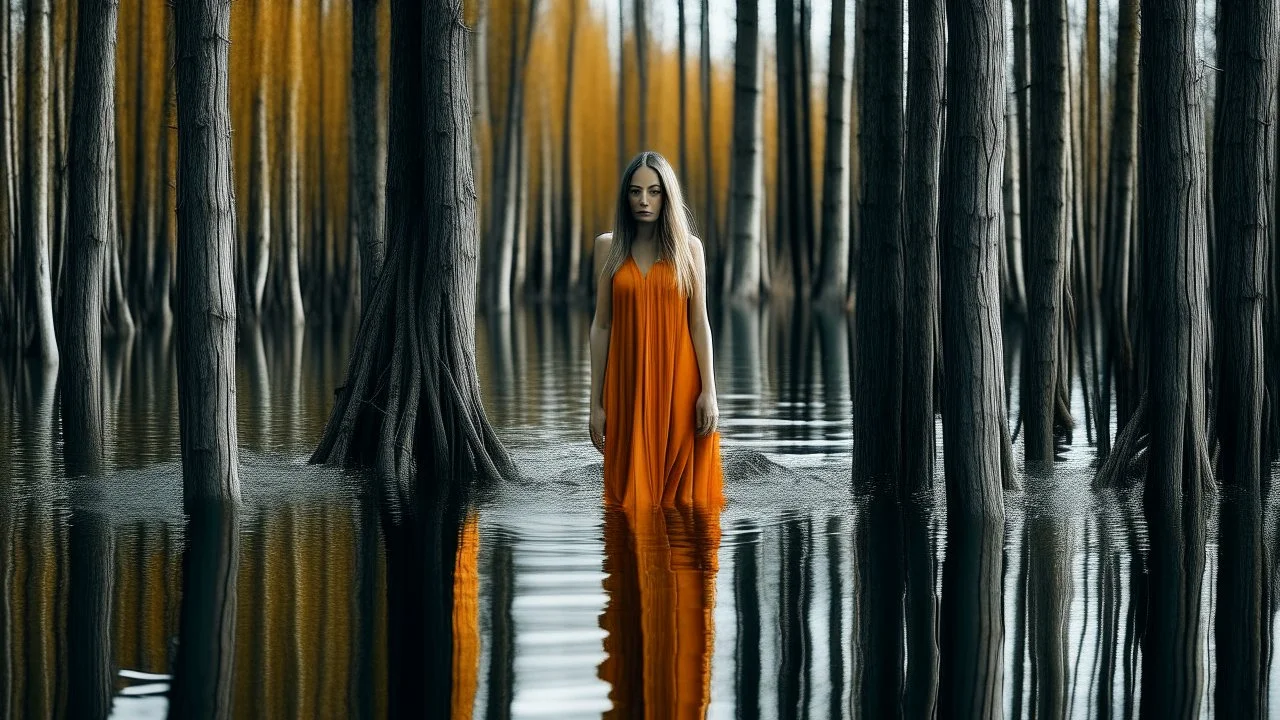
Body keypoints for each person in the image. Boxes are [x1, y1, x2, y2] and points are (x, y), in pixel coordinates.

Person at [589, 151, 724, 510]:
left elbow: (699, 323)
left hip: (681, 384)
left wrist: (709, 392)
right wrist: (595, 403)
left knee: (683, 501)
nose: (644, 201)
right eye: (635, 192)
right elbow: (602, 324)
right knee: (628, 501)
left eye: (654, 191)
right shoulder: (608, 248)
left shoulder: (690, 250)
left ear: (667, 195)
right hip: (627, 386)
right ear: (625, 196)